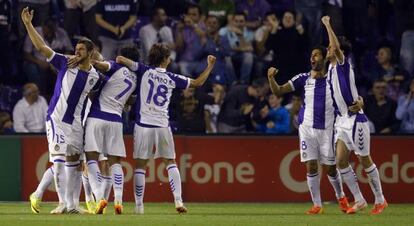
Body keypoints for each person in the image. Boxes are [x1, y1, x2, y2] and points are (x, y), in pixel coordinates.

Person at [115, 43, 216, 214]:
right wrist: (210, 65)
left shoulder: (143, 70)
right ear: (165, 59)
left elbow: (119, 59)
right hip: (162, 125)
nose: (170, 59)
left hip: (143, 125)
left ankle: (139, 207)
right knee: (170, 162)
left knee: (141, 166)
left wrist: (128, 64)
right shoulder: (171, 77)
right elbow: (198, 83)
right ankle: (178, 201)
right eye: (169, 57)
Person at [22, 7, 100, 214]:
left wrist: (94, 58)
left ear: (90, 54)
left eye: (81, 50)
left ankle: (72, 205)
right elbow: (41, 47)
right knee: (58, 162)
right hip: (56, 119)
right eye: (76, 48)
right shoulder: (66, 63)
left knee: (74, 163)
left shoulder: (95, 76)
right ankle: (62, 203)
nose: (77, 52)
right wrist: (28, 24)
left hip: (75, 123)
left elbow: (102, 62)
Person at [267, 47, 349, 214]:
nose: (312, 57)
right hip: (307, 129)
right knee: (311, 166)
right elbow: (278, 90)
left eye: (316, 55)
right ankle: (317, 205)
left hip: (327, 129)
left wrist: (359, 102)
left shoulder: (333, 80)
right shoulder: (303, 78)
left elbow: (348, 96)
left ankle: (341, 197)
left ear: (324, 59)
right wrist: (271, 78)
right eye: (311, 55)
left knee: (331, 168)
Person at [322, 16, 388, 215]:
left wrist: (327, 25)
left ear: (337, 50)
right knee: (341, 161)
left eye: (329, 47)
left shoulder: (343, 64)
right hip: (342, 121)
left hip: (355, 120)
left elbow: (335, 47)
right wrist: (359, 97)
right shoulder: (331, 70)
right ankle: (359, 200)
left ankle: (380, 199)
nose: (327, 49)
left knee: (365, 159)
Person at [82, 46, 139, 214]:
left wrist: (89, 60)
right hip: (116, 120)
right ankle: (119, 200)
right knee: (115, 162)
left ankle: (100, 197)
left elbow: (98, 64)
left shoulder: (114, 66)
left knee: (91, 157)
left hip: (97, 116)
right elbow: (129, 102)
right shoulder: (135, 78)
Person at [23, 18, 73, 95]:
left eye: (52, 30)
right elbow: (26, 54)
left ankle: (62, 96)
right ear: (43, 27)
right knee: (32, 69)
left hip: (56, 61)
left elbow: (69, 50)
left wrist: (60, 61)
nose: (49, 32)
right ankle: (40, 95)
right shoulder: (34, 32)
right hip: (38, 62)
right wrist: (39, 62)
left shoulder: (61, 33)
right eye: (47, 30)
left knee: (67, 69)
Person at [219, 12, 254, 84]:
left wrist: (240, 35)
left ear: (245, 22)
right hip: (228, 54)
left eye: (241, 21)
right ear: (232, 21)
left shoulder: (249, 33)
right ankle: (233, 83)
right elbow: (225, 47)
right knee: (227, 58)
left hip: (241, 55)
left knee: (249, 56)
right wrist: (241, 48)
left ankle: (244, 82)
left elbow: (250, 49)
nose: (238, 23)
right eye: (236, 21)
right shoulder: (224, 31)